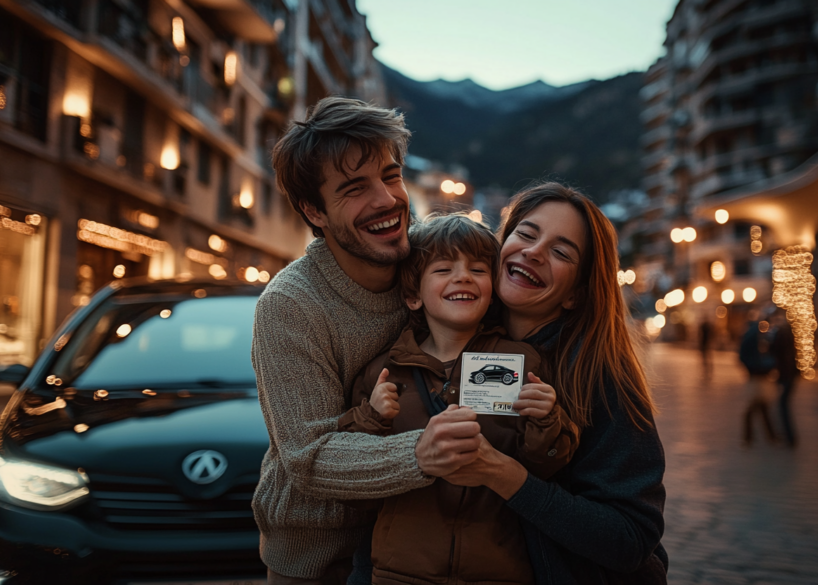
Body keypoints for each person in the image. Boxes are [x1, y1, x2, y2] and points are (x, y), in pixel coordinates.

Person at [251, 97, 483, 584]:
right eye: (355, 188)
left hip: (423, 544)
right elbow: (308, 457)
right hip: (319, 558)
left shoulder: (433, 265)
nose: (387, 199)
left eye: (391, 175)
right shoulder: (291, 304)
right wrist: (422, 453)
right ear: (314, 210)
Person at [429, 182, 668, 584]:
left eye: (561, 252)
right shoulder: (445, 340)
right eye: (525, 233)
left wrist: (508, 477)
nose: (535, 252)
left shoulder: (600, 375)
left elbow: (631, 539)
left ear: (575, 293)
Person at [338, 214, 580, 584]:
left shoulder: (522, 362)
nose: (463, 276)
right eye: (444, 268)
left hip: (499, 572)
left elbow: (545, 469)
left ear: (493, 289)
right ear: (413, 296)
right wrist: (371, 419)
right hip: (399, 573)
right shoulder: (383, 373)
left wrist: (546, 419)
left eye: (479, 269)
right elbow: (355, 489)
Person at [738, 316, 779, 446]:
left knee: (762, 407)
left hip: (756, 376)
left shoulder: (751, 336)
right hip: (758, 377)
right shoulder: (754, 337)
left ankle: (768, 436)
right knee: (755, 407)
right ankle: (751, 437)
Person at [769, 310, 798, 447]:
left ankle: (788, 436)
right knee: (782, 404)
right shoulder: (788, 332)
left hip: (785, 375)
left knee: (782, 405)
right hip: (789, 374)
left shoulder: (781, 333)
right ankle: (786, 435)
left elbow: (776, 352)